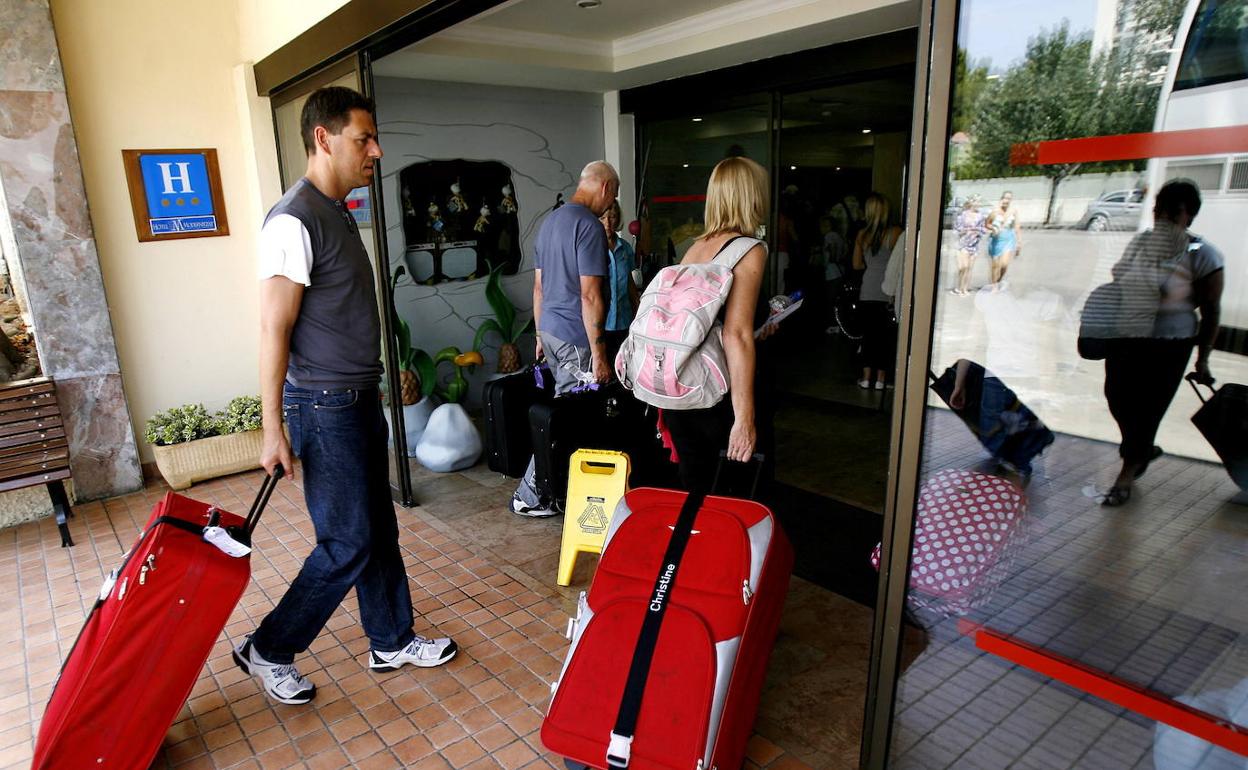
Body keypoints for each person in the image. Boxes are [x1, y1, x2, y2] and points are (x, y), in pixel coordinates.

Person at [239, 86, 457, 706]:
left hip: (357, 399)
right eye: (364, 138)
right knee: (346, 542)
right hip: (323, 406)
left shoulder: (336, 210)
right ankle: (269, 648)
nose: (376, 151)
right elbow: (273, 328)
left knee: (377, 528)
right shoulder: (292, 220)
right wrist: (273, 428)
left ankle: (389, 637)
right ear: (323, 138)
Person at [1099, 179, 1223, 506]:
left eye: (1172, 212)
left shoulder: (1203, 255)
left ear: (1189, 216)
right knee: (1116, 396)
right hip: (1127, 335)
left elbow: (1211, 311)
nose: (1162, 216)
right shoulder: (1141, 243)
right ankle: (1140, 450)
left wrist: (1203, 359)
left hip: (1171, 343)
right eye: (1158, 210)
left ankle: (1126, 473)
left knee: (1148, 408)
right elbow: (1118, 276)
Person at [510, 161, 619, 516]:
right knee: (568, 419)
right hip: (576, 338)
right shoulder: (588, 226)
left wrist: (540, 335)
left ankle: (555, 488)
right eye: (614, 194)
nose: (611, 203)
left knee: (562, 413)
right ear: (604, 188)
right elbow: (590, 296)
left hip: (553, 334)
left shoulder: (551, 222)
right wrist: (600, 354)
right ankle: (531, 494)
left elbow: (539, 288)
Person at [660, 157, 771, 495]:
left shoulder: (693, 249)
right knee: (735, 498)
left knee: (696, 495)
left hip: (683, 388)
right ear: (751, 196)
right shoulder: (748, 250)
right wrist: (745, 418)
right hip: (719, 393)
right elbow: (734, 334)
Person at [853, 193, 903, 390]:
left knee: (868, 335)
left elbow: (857, 265)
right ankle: (881, 380)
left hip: (867, 289)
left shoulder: (862, 235)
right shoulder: (896, 233)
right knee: (885, 336)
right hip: (888, 290)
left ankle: (866, 377)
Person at [600, 199, 639, 361]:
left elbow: (630, 283)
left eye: (613, 217)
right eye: (603, 218)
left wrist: (638, 310)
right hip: (602, 323)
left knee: (625, 365)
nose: (608, 223)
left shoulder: (625, 248)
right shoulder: (592, 249)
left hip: (624, 320)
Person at [986, 191, 1022, 285]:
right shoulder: (995, 211)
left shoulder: (1013, 211)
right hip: (996, 240)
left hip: (1008, 239)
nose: (1007, 200)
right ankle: (994, 286)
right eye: (1005, 198)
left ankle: (999, 280)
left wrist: (1019, 242)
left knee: (1004, 265)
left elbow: (1017, 226)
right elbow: (987, 224)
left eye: (1009, 198)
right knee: (995, 266)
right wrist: (993, 228)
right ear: (1001, 199)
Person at [953, 196, 986, 295]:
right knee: (963, 267)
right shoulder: (963, 215)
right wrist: (963, 231)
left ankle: (964, 289)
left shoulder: (980, 216)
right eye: (976, 202)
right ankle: (959, 287)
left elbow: (983, 229)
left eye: (979, 202)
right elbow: (956, 229)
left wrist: (978, 232)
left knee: (969, 268)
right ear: (971, 203)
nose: (978, 204)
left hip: (974, 244)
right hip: (963, 243)